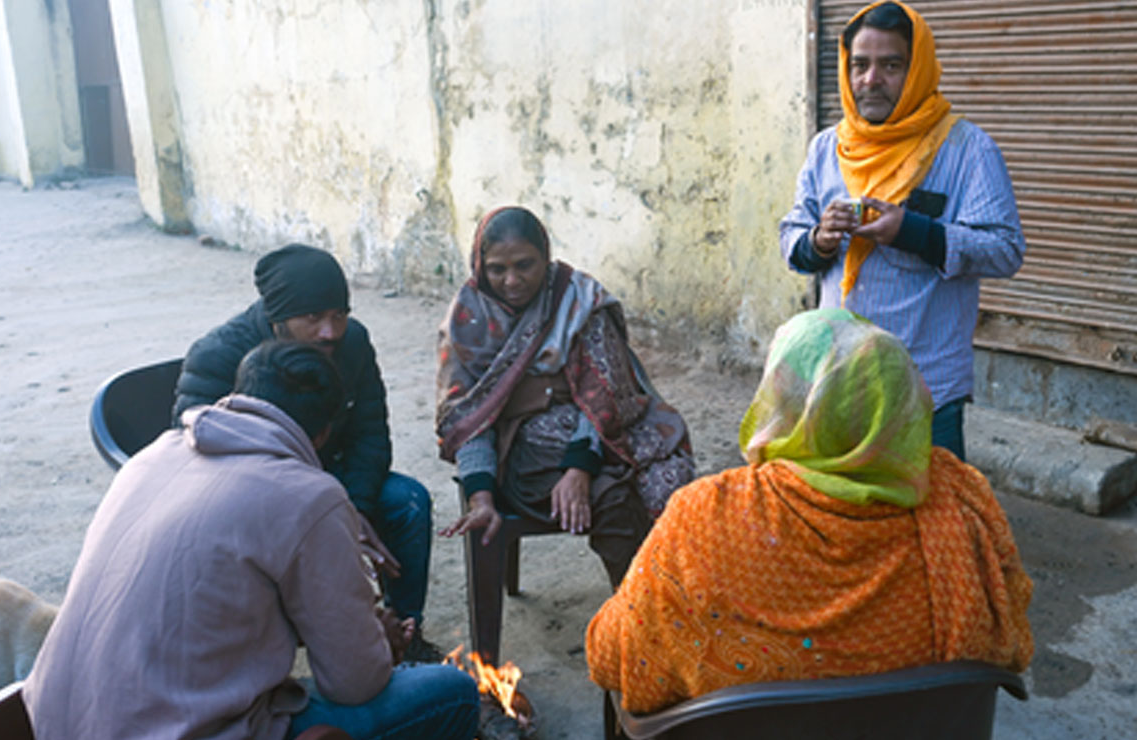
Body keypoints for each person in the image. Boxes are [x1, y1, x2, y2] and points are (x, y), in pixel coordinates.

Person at [584, 308, 1033, 715]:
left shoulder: (704, 518)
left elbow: (611, 656)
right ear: (907, 401)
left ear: (783, 402)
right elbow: (1008, 634)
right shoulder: (963, 498)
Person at [24, 340, 479, 739]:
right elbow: (354, 683)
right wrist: (376, 643)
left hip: (54, 722)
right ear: (322, 434)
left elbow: (217, 600)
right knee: (452, 694)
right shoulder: (308, 496)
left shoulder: (152, 456)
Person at [778, 0, 1026, 461]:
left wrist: (914, 232)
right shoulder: (827, 149)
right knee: (844, 518)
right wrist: (818, 240)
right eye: (860, 65)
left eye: (891, 65)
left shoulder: (966, 149)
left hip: (925, 385)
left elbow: (1006, 249)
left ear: (917, 70)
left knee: (928, 521)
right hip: (839, 377)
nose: (871, 80)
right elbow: (791, 237)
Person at [173, 243, 442, 662]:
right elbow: (196, 455)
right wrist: (327, 517)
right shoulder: (218, 356)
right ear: (277, 318)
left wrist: (353, 506)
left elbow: (370, 435)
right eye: (312, 318)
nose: (329, 332)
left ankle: (404, 633)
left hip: (330, 477)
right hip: (252, 496)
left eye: (339, 314)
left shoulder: (352, 343)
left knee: (409, 503)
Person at [435, 206, 695, 588]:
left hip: (600, 434)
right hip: (520, 454)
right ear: (480, 266)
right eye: (497, 269)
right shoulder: (468, 321)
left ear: (546, 257)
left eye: (525, 265)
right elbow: (470, 417)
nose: (512, 280)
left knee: (671, 485)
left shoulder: (577, 300)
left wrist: (579, 467)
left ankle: (665, 602)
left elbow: (606, 396)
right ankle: (638, 619)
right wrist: (481, 497)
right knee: (616, 501)